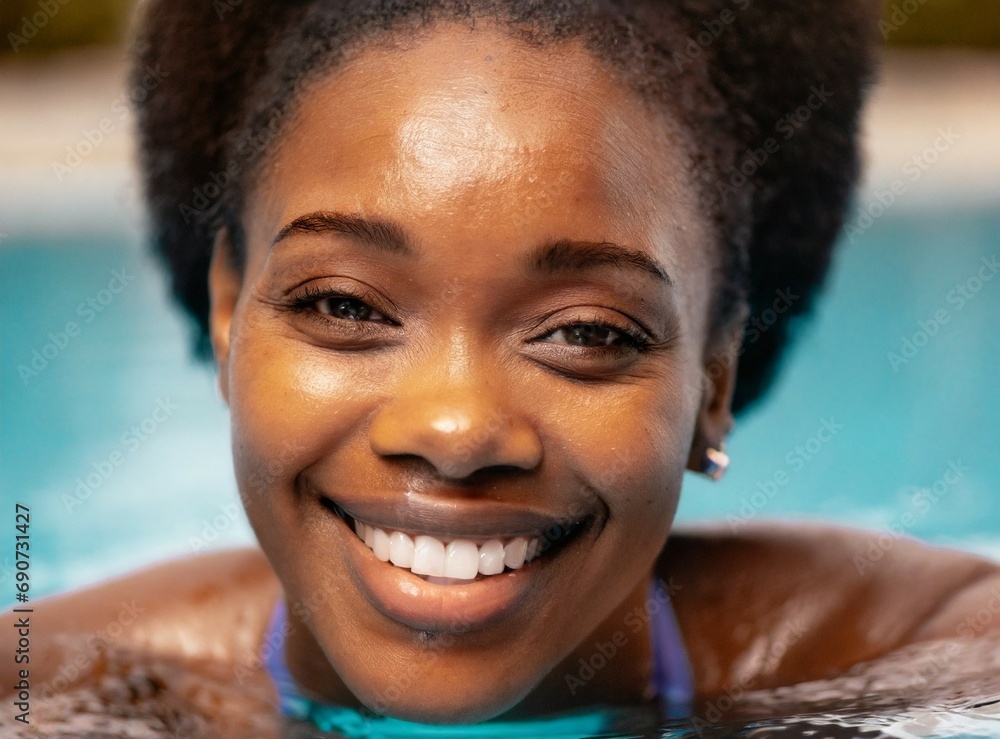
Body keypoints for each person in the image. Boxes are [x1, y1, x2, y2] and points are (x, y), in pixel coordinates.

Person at [5, 0, 1000, 736]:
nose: (455, 428)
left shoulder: (932, 652)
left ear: (713, 379)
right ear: (230, 313)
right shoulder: (43, 685)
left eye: (585, 331)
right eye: (343, 305)